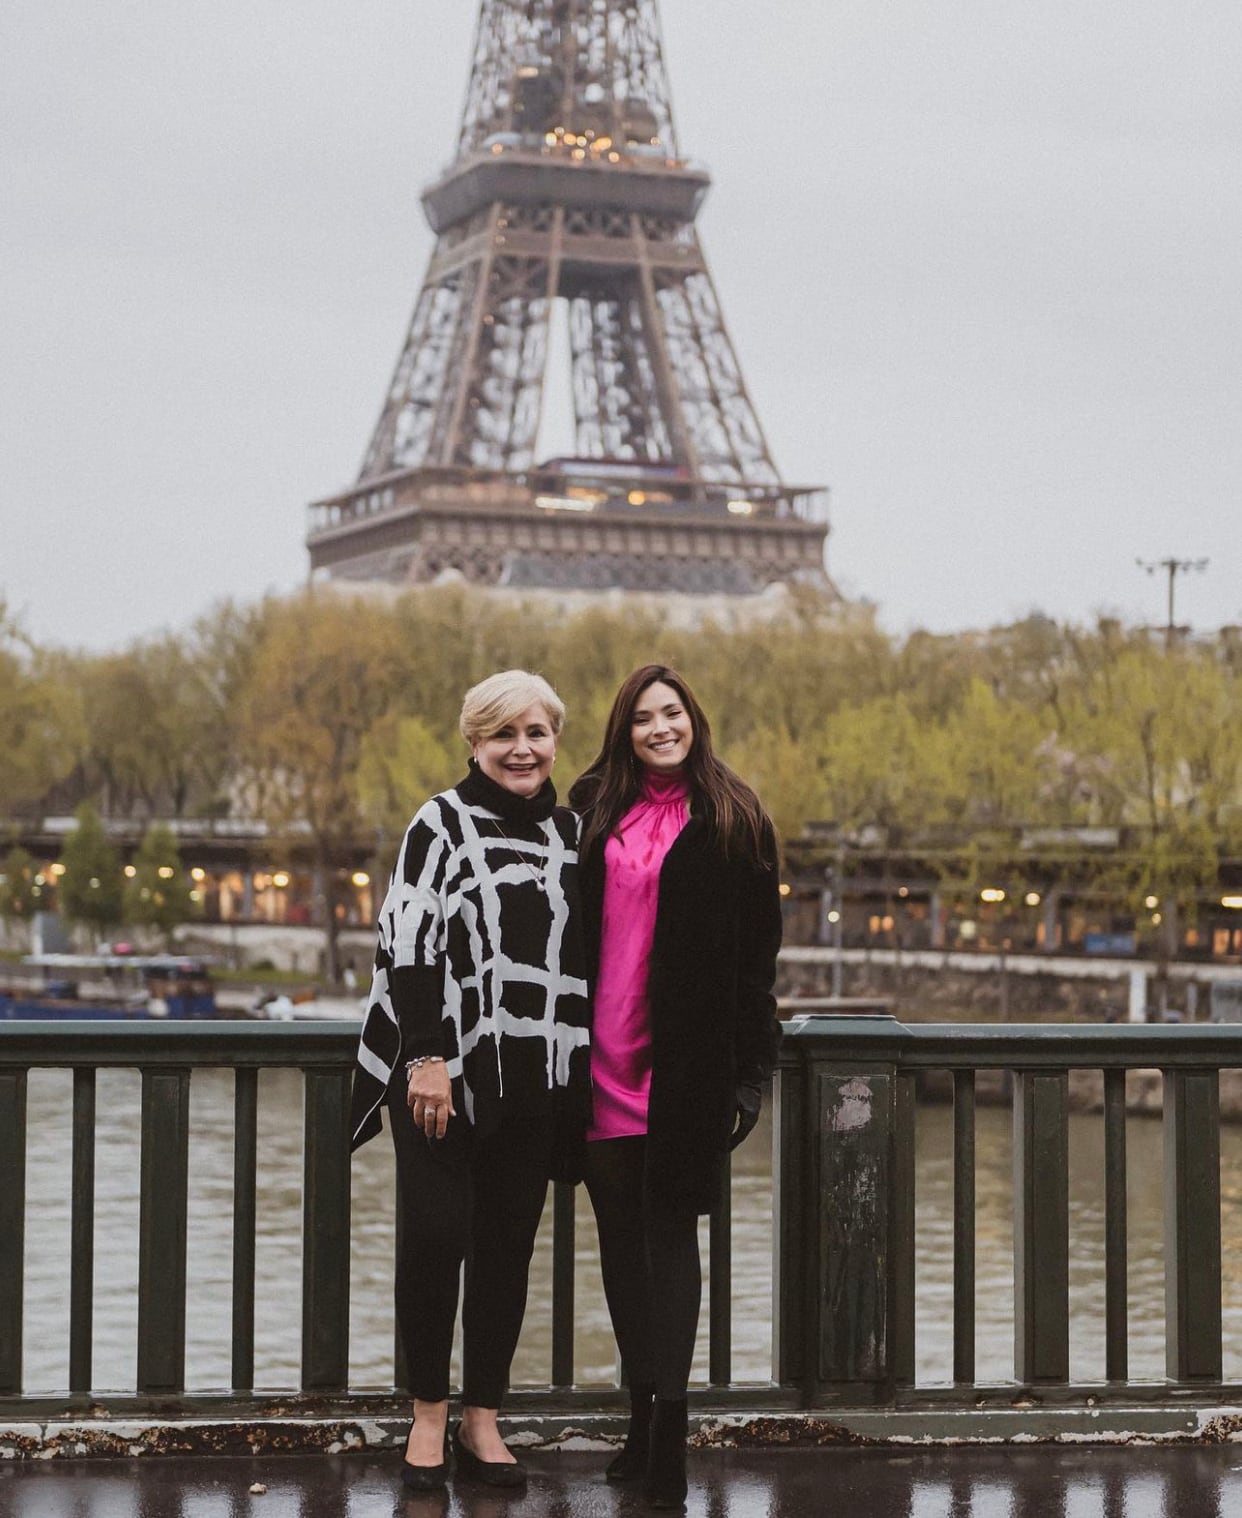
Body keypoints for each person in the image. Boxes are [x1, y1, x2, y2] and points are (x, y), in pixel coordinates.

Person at [350, 670, 591, 1493]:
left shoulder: (572, 833)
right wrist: (425, 1057)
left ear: (555, 740)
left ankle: (482, 1416)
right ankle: (428, 1414)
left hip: (535, 1075)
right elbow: (408, 939)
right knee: (434, 1240)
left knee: (506, 1250)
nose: (522, 750)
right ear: (475, 743)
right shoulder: (439, 822)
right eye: (503, 735)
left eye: (536, 733)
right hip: (443, 1075)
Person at [569, 664, 783, 1510]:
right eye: (643, 717)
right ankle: (636, 1420)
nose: (661, 728)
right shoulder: (591, 808)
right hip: (598, 1059)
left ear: (694, 719)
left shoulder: (736, 816)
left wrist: (750, 1073)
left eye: (673, 713)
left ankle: (670, 1435)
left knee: (671, 1247)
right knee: (621, 1251)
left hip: (684, 1070)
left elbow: (758, 960)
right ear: (623, 731)